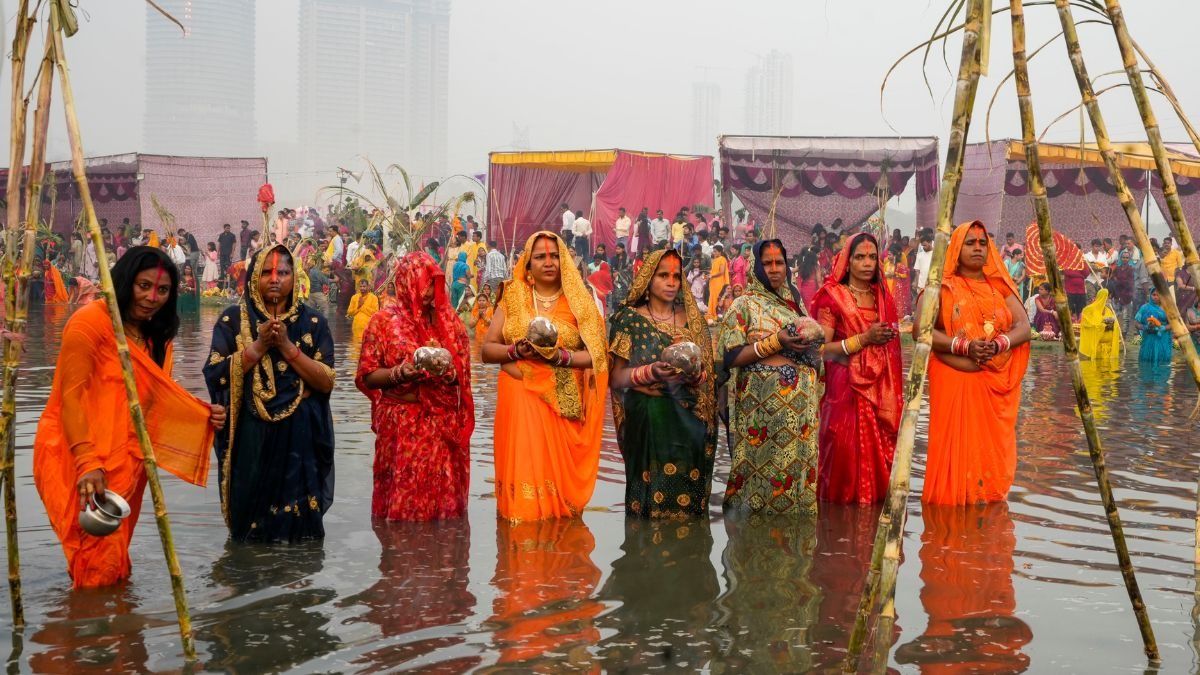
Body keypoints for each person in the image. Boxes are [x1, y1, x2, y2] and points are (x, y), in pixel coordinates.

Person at [34, 247, 223, 587]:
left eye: (162, 290)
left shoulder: (157, 337)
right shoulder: (91, 322)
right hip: (76, 453)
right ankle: (88, 625)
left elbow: (154, 399)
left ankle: (111, 626)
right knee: (95, 560)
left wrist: (201, 414)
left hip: (126, 458)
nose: (152, 298)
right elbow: (70, 397)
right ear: (124, 283)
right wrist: (87, 462)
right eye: (143, 286)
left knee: (113, 559)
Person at [203, 244, 336, 543]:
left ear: (294, 277)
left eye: (283, 272)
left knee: (300, 532)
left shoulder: (314, 323)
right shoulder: (233, 320)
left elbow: (327, 381)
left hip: (300, 435)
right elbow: (214, 374)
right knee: (251, 527)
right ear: (253, 278)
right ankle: (250, 573)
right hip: (251, 434)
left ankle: (299, 580)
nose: (275, 279)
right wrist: (258, 347)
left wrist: (288, 348)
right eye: (266, 272)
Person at [481, 231, 608, 522]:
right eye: (540, 257)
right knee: (523, 494)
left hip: (561, 408)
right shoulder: (512, 295)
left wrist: (560, 357)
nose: (548, 262)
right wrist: (517, 351)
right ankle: (522, 555)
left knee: (559, 502)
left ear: (564, 259)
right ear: (527, 264)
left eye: (554, 256)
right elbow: (488, 350)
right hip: (519, 399)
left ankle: (558, 554)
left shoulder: (580, 301)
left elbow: (597, 356)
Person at [917, 221, 1031, 506]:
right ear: (956, 248)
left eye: (982, 243)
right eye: (970, 243)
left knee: (986, 453)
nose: (978, 248)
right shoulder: (940, 287)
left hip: (993, 379)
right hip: (953, 376)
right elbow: (922, 330)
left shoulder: (999, 287)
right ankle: (949, 516)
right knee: (955, 452)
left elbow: (1023, 326)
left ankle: (984, 506)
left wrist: (996, 345)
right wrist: (964, 346)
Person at [355, 252, 474, 521]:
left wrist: (447, 372)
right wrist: (400, 373)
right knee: (402, 514)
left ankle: (442, 557)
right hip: (400, 427)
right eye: (424, 284)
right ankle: (403, 557)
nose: (430, 292)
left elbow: (463, 380)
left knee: (441, 514)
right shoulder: (383, 322)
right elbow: (367, 376)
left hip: (441, 427)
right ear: (406, 283)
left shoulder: (449, 324)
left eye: (434, 283)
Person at [717, 239, 824, 515]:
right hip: (762, 422)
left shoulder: (794, 307)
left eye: (780, 263)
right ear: (755, 266)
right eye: (768, 263)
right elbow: (730, 357)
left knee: (794, 501)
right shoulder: (743, 306)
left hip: (798, 422)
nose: (775, 269)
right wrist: (776, 341)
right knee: (757, 497)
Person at [607, 249, 716, 518]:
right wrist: (651, 372)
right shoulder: (629, 319)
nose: (671, 282)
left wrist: (692, 374)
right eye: (663, 275)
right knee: (649, 511)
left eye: (676, 276)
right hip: (649, 424)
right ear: (648, 279)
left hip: (689, 425)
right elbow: (616, 377)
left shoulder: (693, 321)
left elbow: (707, 374)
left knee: (689, 508)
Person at [810, 233, 903, 505]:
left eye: (872, 257)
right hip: (844, 389)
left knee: (879, 458)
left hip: (880, 387)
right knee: (843, 452)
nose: (867, 263)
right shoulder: (832, 298)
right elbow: (820, 349)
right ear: (847, 263)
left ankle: (868, 524)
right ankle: (837, 523)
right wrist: (863, 340)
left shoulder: (883, 298)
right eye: (860, 257)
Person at [1079, 289, 1121, 362]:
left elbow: (1116, 324)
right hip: (1094, 348)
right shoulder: (1088, 310)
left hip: (1108, 351)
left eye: (1110, 297)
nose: (1109, 299)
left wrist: (1112, 325)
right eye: (1108, 297)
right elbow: (1088, 325)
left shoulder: (1109, 310)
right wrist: (1104, 326)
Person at [1134, 289, 1173, 365]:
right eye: (1154, 295)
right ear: (1150, 296)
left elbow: (1173, 324)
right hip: (1149, 338)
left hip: (1162, 338)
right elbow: (1136, 323)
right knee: (1146, 362)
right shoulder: (1144, 308)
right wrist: (1145, 327)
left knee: (1162, 363)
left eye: (1158, 295)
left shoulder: (1167, 308)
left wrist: (1163, 328)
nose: (1155, 297)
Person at [706, 244, 730, 321]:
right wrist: (709, 275)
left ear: (720, 252)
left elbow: (721, 272)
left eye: (715, 251)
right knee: (712, 297)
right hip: (713, 281)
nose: (714, 253)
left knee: (717, 297)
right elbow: (714, 271)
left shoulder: (722, 259)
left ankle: (716, 313)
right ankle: (712, 313)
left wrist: (711, 276)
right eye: (713, 251)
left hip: (719, 281)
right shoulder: (715, 259)